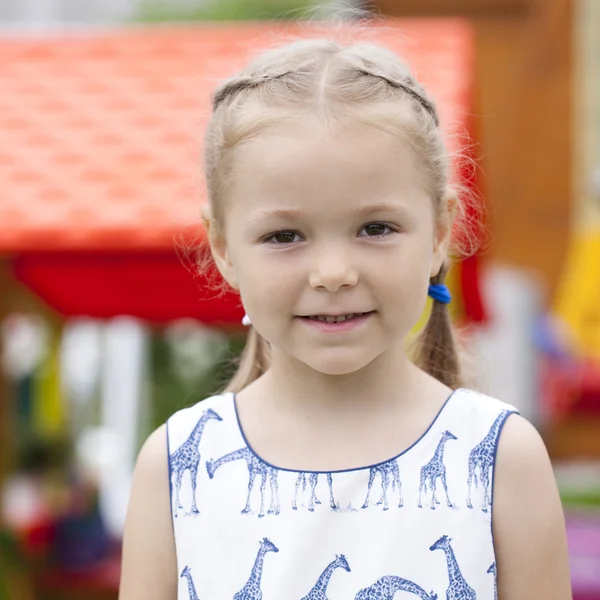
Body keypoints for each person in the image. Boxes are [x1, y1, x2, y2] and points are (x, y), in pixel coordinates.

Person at [119, 32, 572, 600]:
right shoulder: (177, 464)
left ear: (439, 232)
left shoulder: (500, 456)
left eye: (375, 228)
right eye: (284, 235)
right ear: (223, 248)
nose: (333, 272)